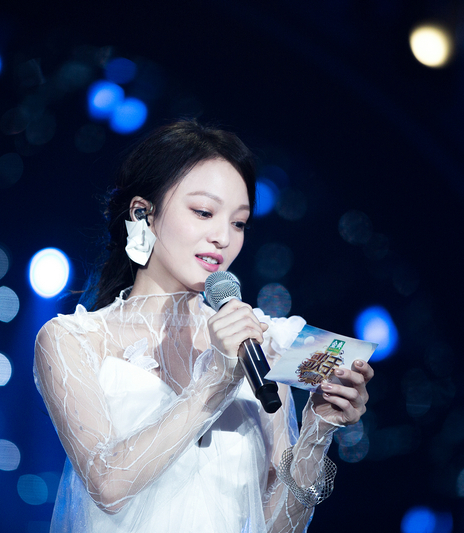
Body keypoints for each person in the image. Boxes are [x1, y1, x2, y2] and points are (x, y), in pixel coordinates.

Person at [34, 120, 374, 532]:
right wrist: (218, 379)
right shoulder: (73, 340)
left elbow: (278, 528)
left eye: (238, 223)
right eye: (203, 212)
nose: (223, 238)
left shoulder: (260, 344)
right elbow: (108, 485)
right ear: (143, 213)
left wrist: (317, 430)